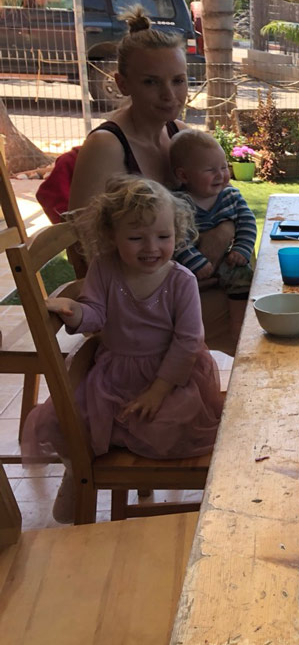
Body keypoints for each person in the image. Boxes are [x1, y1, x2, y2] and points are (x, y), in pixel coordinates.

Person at [24, 176, 224, 524]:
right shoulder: (104, 269)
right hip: (114, 376)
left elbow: (189, 340)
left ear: (177, 233)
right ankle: (79, 472)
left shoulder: (181, 281)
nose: (151, 247)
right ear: (112, 237)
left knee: (166, 426)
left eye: (164, 237)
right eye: (136, 238)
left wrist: (158, 391)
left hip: (172, 376)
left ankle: (114, 461)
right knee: (59, 421)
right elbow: (96, 314)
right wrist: (76, 311)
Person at [67, 5, 238, 355]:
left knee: (276, 301)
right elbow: (85, 251)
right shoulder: (107, 146)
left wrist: (222, 233)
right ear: (121, 83)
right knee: (259, 326)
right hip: (135, 308)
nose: (169, 95)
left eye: (178, 81)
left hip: (186, 285)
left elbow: (226, 200)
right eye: (151, 82)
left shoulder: (177, 134)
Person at [170, 129, 256, 340]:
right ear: (183, 175)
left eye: (224, 166)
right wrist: (196, 262)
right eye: (210, 170)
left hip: (227, 260)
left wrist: (241, 248)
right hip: (191, 269)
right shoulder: (177, 204)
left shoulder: (231, 195)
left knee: (244, 276)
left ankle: (239, 326)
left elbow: (247, 223)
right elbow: (177, 239)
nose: (221, 175)